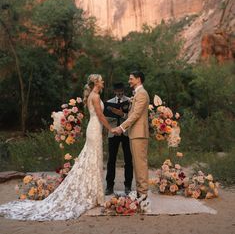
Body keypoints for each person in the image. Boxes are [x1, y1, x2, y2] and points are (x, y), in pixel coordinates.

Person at [0, 74, 113, 221]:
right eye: (101, 80)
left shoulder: (93, 95)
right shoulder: (95, 97)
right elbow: (100, 115)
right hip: (94, 128)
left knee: (93, 158)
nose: (103, 82)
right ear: (96, 82)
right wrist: (111, 128)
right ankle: (96, 195)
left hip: (94, 128)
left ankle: (96, 194)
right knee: (93, 158)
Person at [113, 71, 150, 201]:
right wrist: (122, 115)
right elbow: (131, 114)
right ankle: (140, 192)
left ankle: (143, 193)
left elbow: (136, 115)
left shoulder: (142, 94)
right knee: (137, 163)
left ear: (138, 79)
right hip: (134, 133)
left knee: (140, 163)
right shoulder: (137, 94)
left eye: (131, 79)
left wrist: (121, 127)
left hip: (139, 134)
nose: (129, 81)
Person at [104, 82, 133, 195]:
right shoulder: (110, 102)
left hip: (126, 133)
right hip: (113, 133)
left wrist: (122, 114)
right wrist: (114, 113)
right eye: (118, 91)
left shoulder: (129, 101)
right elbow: (105, 118)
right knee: (111, 160)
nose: (120, 93)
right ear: (114, 91)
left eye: (121, 91)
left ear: (124, 91)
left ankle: (128, 186)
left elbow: (131, 117)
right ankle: (109, 186)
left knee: (128, 160)